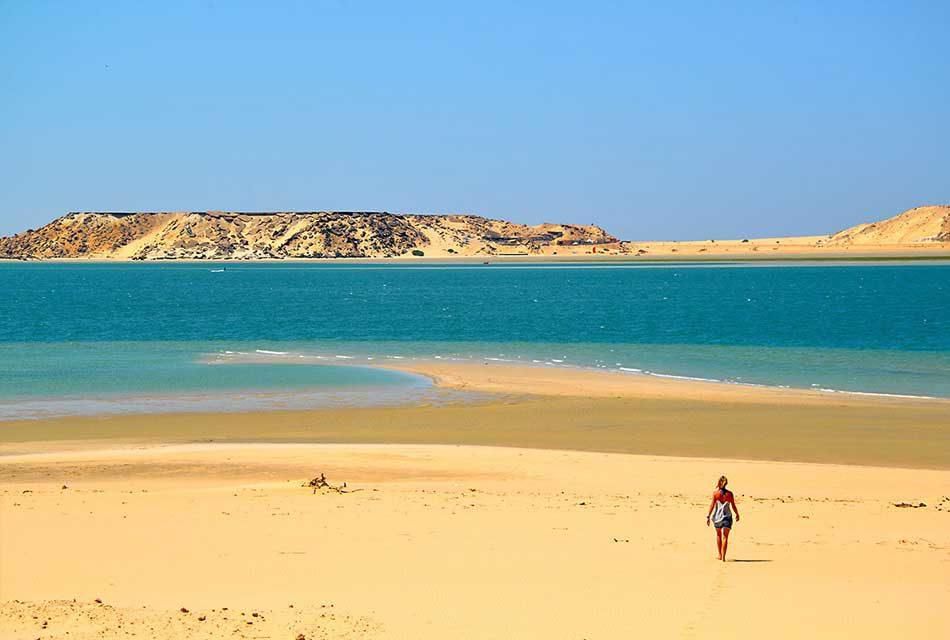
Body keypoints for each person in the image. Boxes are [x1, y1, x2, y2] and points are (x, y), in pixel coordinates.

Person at [706, 475, 740, 561]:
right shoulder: (729, 494)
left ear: (718, 483)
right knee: (725, 537)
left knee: (718, 535)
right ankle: (723, 557)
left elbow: (712, 505)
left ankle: (720, 555)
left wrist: (708, 516)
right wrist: (737, 514)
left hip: (717, 517)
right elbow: (733, 505)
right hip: (727, 517)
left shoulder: (715, 494)